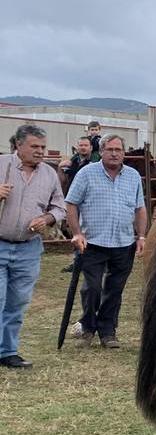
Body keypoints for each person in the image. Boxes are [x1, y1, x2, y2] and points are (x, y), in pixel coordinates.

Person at [65, 133, 147, 349]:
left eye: (118, 150)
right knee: (91, 288)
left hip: (123, 243)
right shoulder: (86, 173)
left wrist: (141, 236)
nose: (114, 153)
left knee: (115, 290)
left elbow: (140, 208)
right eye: (109, 149)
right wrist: (76, 233)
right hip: (92, 242)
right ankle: (88, 327)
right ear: (100, 152)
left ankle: (108, 332)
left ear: (124, 153)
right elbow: (71, 203)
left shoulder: (133, 176)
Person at [0, 124, 67, 369]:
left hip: (28, 248)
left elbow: (59, 207)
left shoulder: (49, 174)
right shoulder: (2, 165)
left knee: (16, 302)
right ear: (19, 145)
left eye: (42, 147)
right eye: (34, 146)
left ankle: (7, 352)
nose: (40, 151)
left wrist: (47, 219)